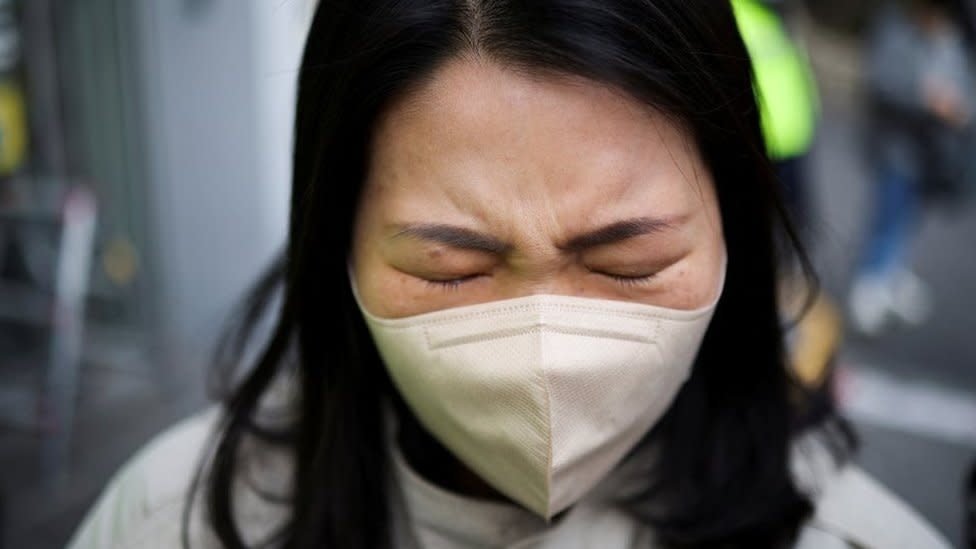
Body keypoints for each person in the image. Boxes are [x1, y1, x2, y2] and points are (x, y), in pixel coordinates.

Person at [67, 2, 952, 548]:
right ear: (336, 241)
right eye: (451, 269)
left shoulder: (851, 538)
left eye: (626, 260)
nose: (546, 352)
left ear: (734, 235)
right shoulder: (175, 519)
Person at [848, 0, 976, 335]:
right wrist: (929, 100)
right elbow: (883, 79)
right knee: (888, 219)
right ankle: (870, 288)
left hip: (930, 156)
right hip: (898, 151)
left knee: (907, 221)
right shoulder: (898, 29)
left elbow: (964, 87)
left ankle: (890, 276)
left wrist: (959, 108)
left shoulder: (953, 38)